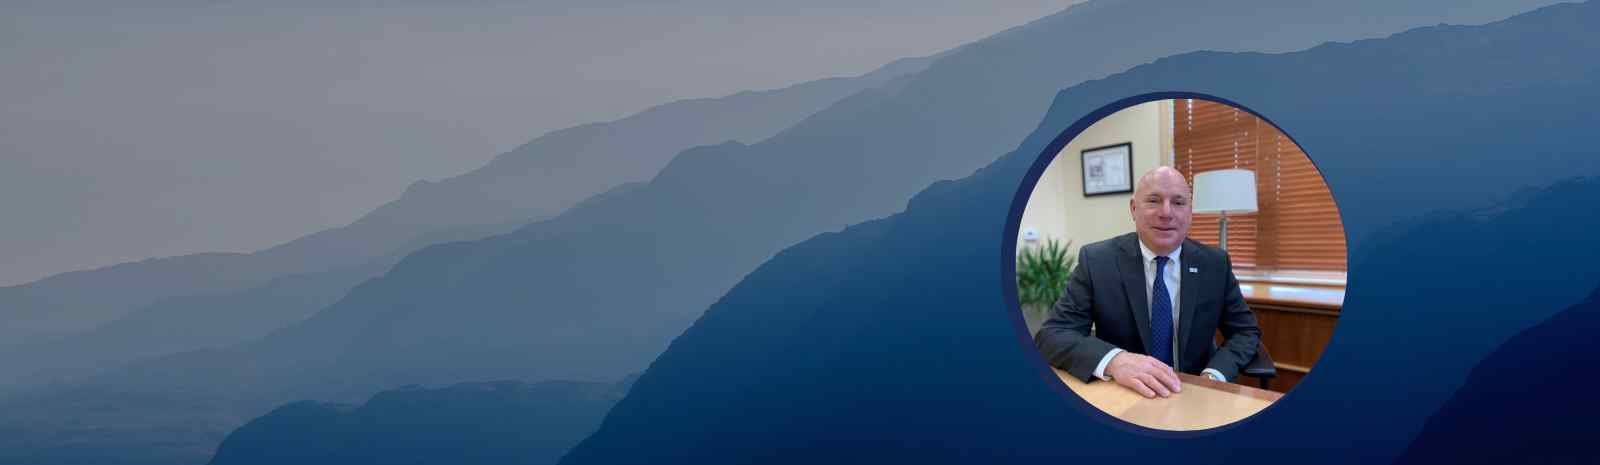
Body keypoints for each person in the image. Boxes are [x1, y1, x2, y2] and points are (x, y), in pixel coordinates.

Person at [1035, 166, 1261, 399]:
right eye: (1153, 201)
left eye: (1178, 202)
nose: (1166, 212)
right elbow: (1053, 334)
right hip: (1124, 393)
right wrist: (1116, 360)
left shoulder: (1215, 263)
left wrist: (1214, 375)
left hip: (1194, 391)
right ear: (1134, 209)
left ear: (1190, 211)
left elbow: (1245, 331)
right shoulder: (1097, 261)